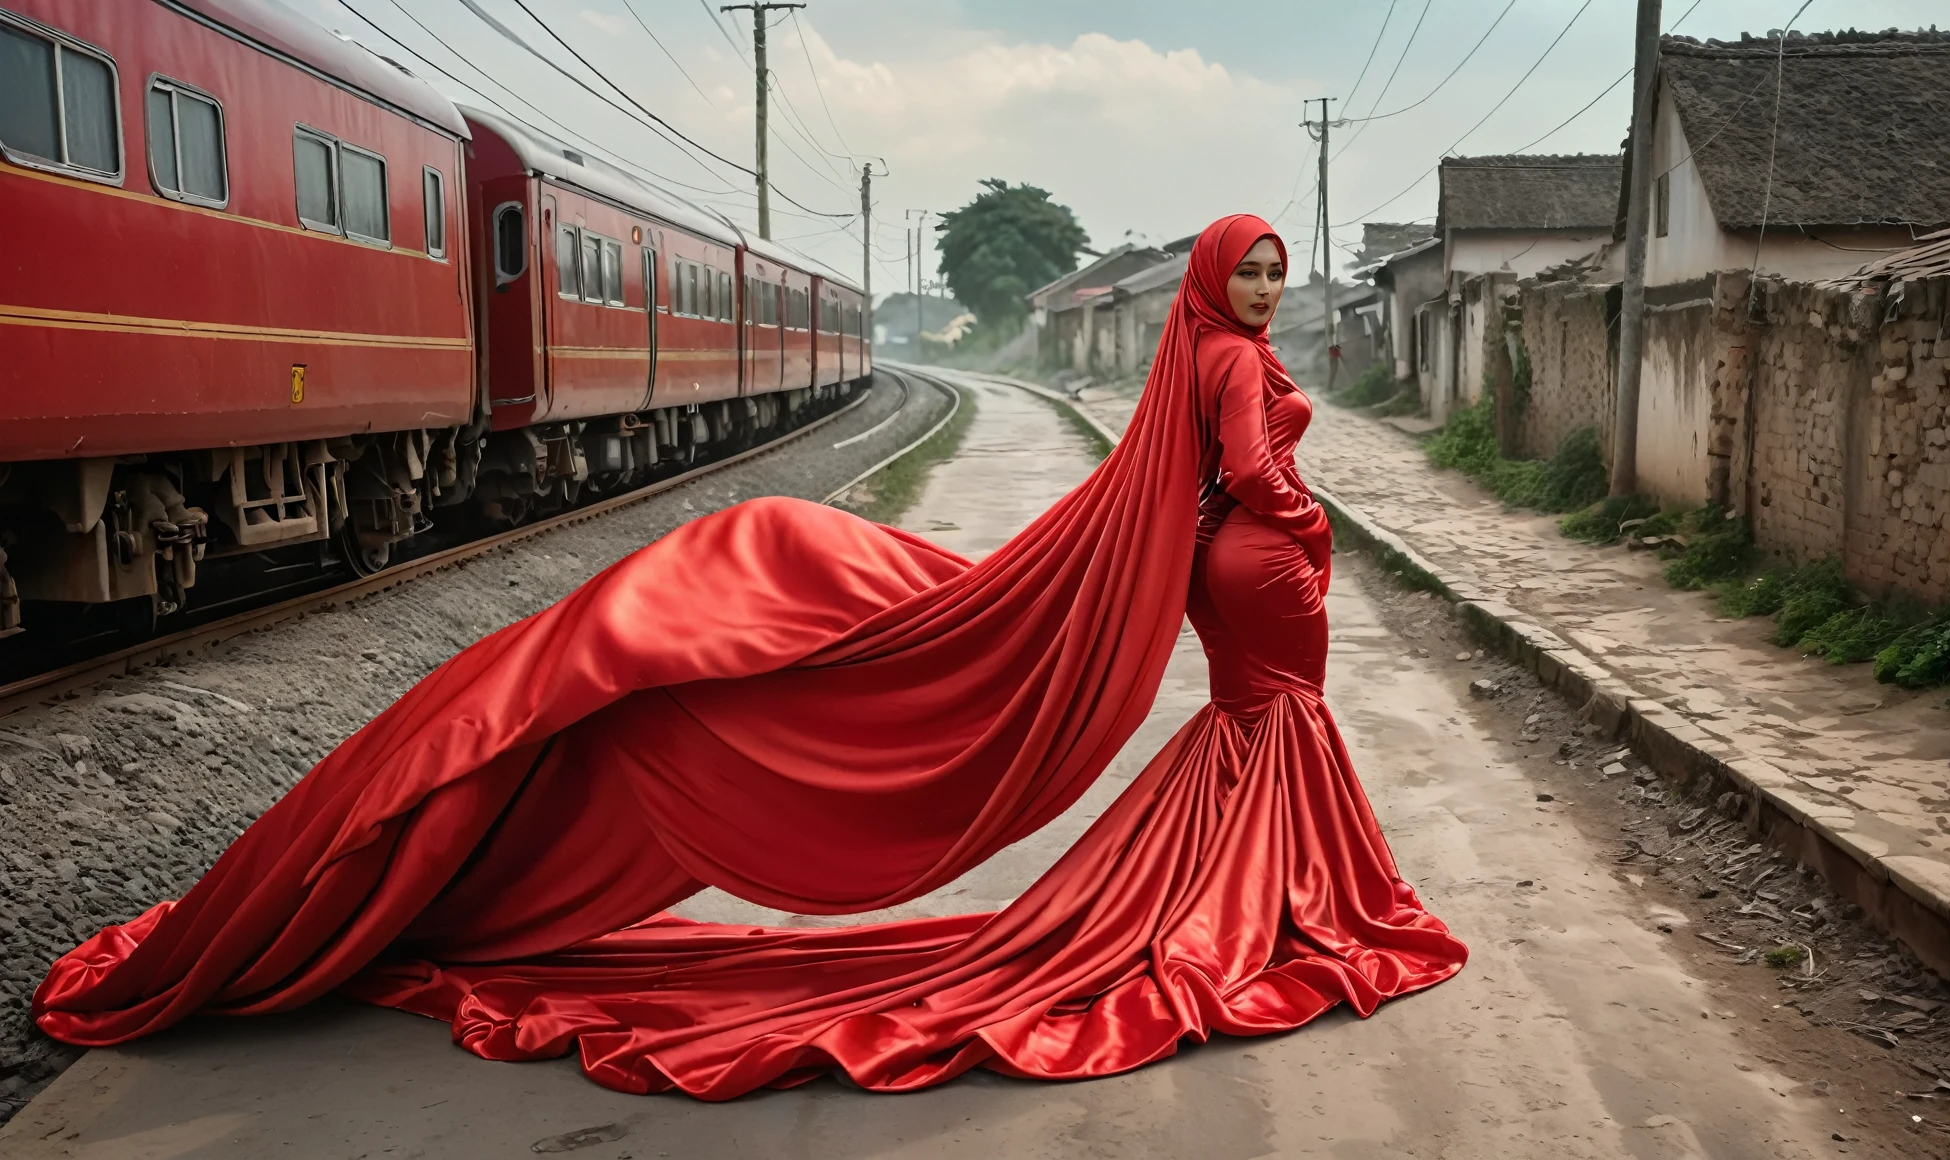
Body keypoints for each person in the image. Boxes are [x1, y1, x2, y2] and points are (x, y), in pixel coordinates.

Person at [35, 215, 1465, 1099]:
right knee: (1263, 732)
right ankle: (1281, 898)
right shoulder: (1225, 363)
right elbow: (1251, 481)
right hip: (1259, 579)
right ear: (1223, 279)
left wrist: (1251, 516)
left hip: (1241, 590)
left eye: (1280, 272)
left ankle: (1269, 891)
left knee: (1256, 733)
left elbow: (1204, 484)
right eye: (1256, 270)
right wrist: (1293, 506)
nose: (1272, 290)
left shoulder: (1206, 350)